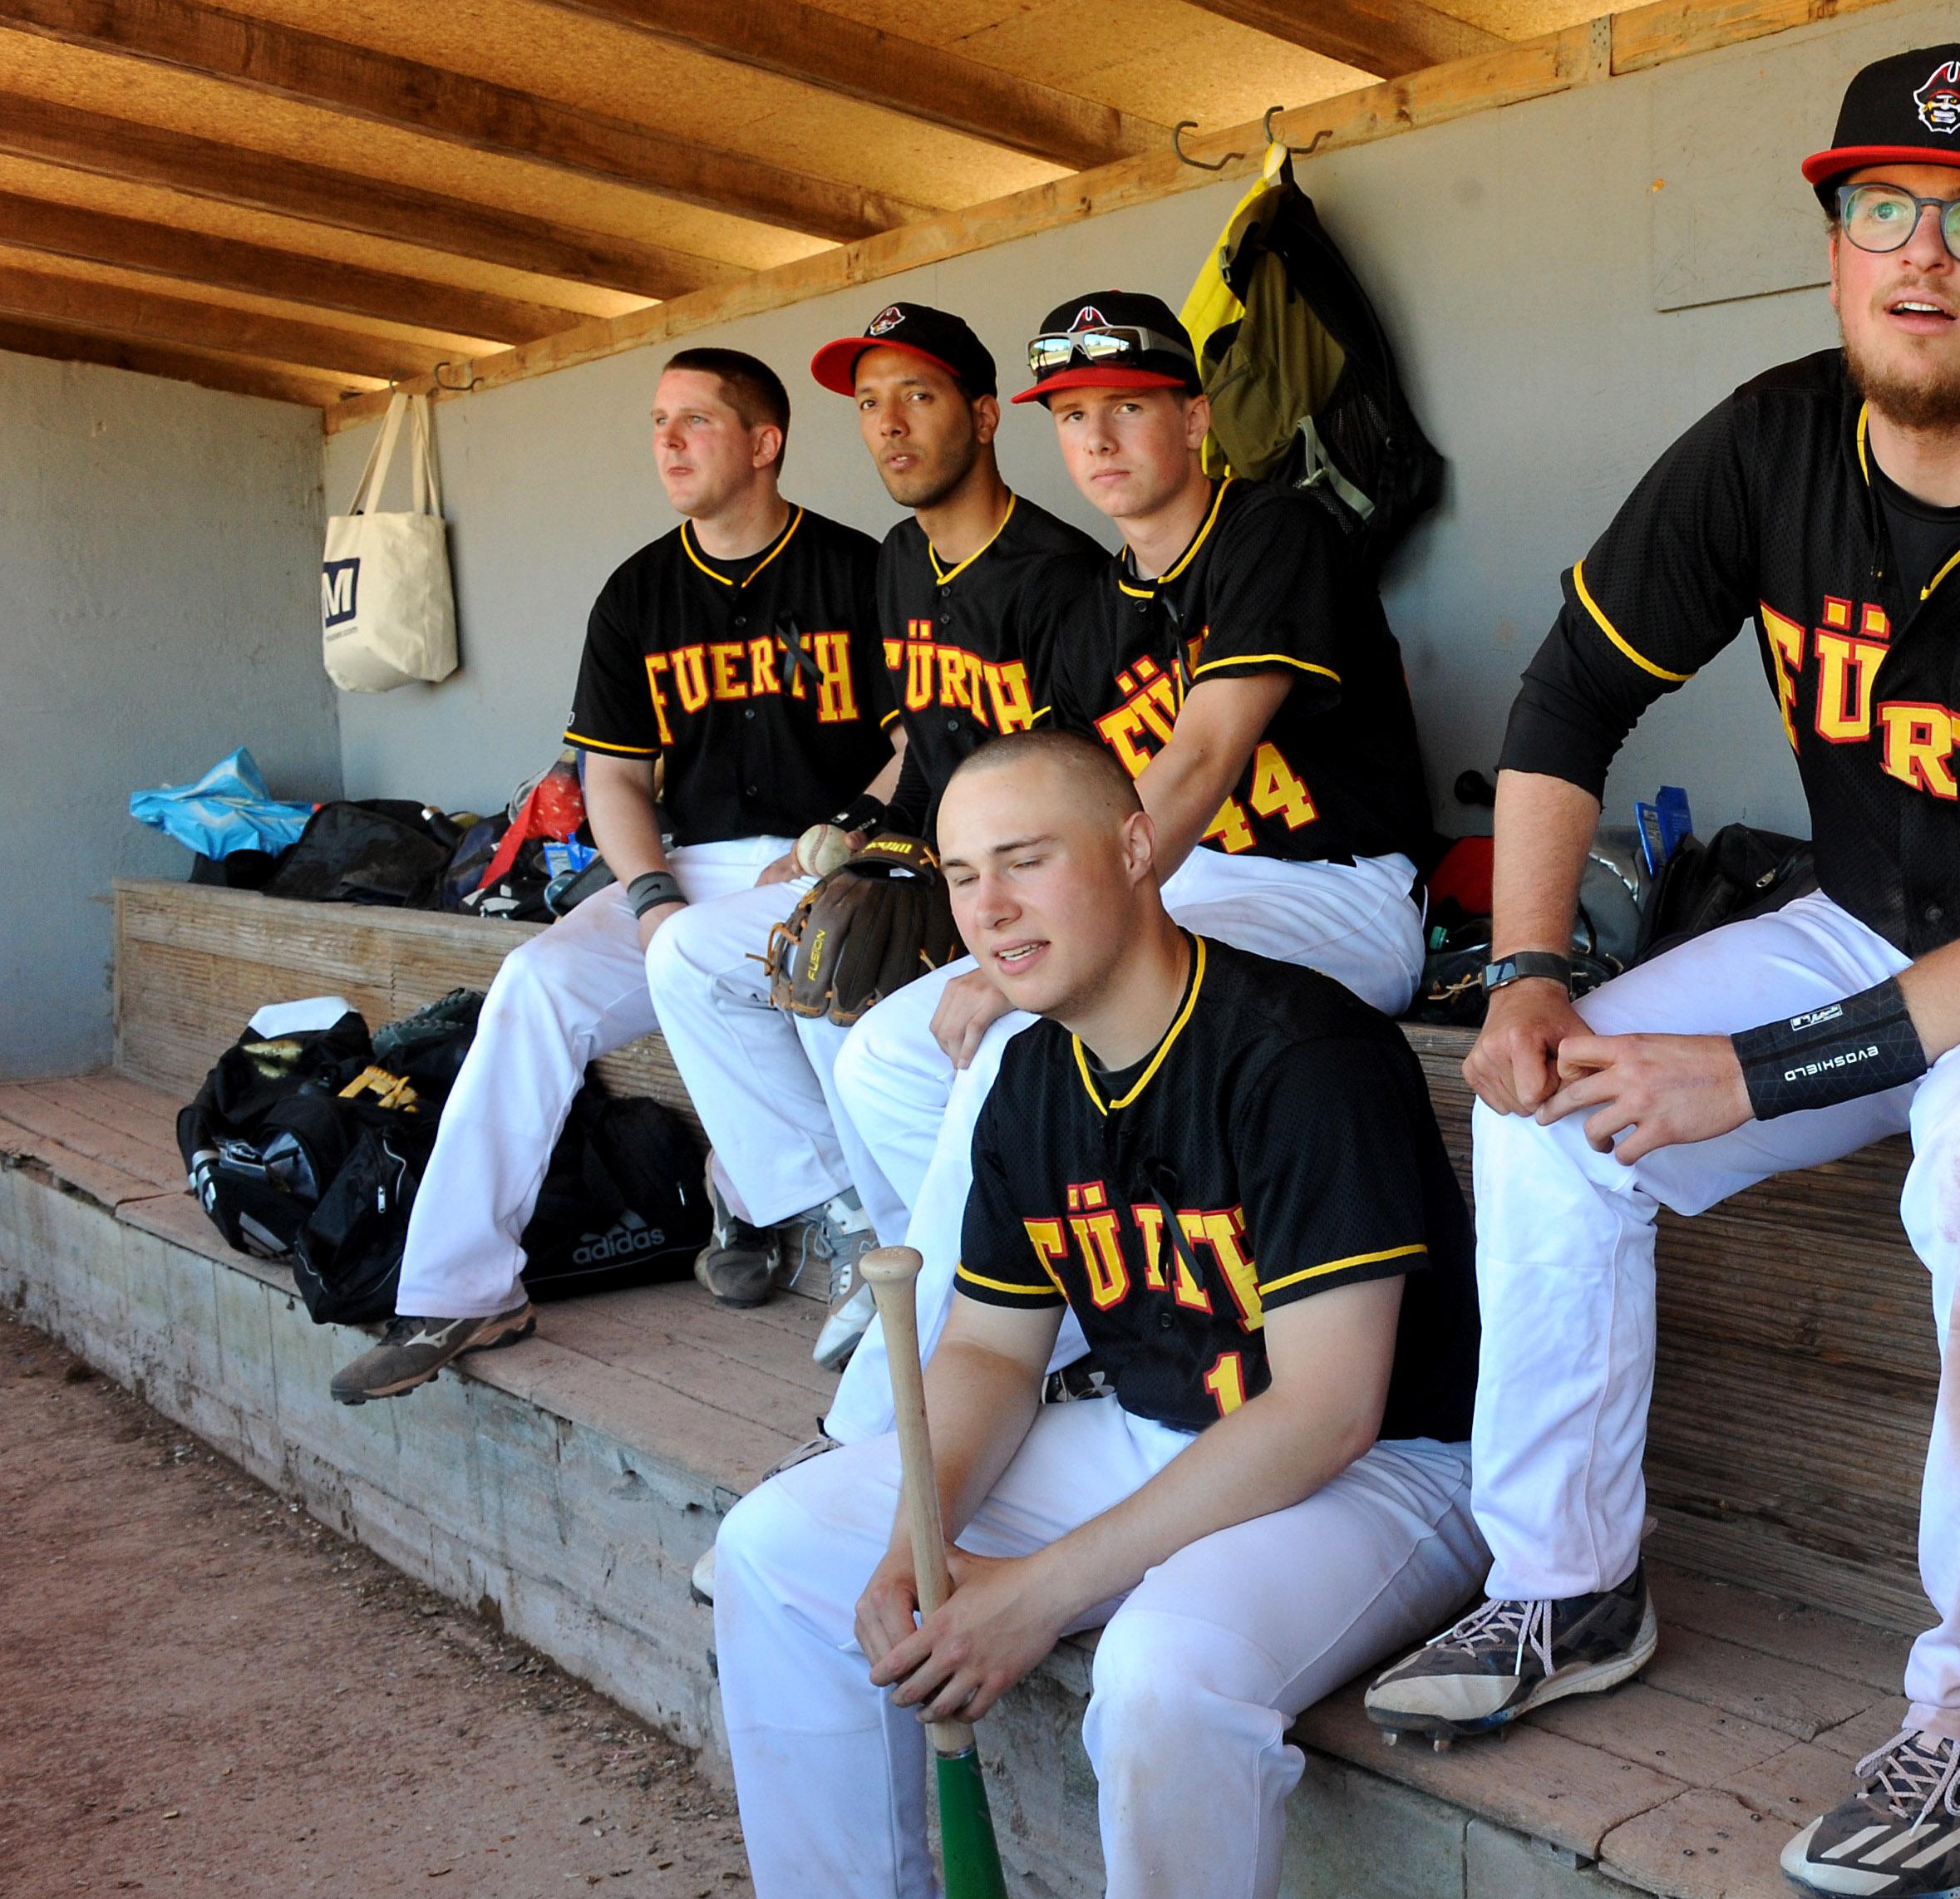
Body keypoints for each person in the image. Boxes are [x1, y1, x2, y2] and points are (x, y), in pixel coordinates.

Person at [1360, 44, 1960, 1899]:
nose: (1920, 256)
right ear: (1836, 248)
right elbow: (1567, 696)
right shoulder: (1774, 439)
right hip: (1876, 908)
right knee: (1549, 1110)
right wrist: (1530, 974)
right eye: (1878, 212)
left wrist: (1753, 1075)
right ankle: (1566, 1586)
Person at [651, 730, 1482, 1899]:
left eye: (1027, 860)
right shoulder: (1037, 1077)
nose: (989, 907)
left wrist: (1031, 1594)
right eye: (964, 874)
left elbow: (1327, 1407)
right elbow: (985, 1353)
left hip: (1387, 1471)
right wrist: (925, 1534)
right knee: (787, 1546)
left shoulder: (1304, 1051)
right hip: (1166, 1430)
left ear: (1138, 849)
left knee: (1163, 1680)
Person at [805, 290, 1435, 1444]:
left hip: (1330, 890)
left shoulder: (1273, 534)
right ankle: (1067, 1325)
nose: (1096, 439)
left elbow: (1196, 761)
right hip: (1182, 893)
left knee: (1010, 1041)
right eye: (1073, 413)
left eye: (1129, 408)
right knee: (881, 1060)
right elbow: (1050, 800)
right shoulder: (1097, 609)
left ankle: (881, 1437)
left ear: (1196, 420)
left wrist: (1023, 968)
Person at [330, 348, 893, 1404]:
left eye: (696, 421)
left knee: (799, 979)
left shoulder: (858, 570)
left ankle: (819, 1221)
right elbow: (614, 779)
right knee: (537, 986)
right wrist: (646, 896)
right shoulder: (638, 592)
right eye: (657, 422)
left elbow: (918, 742)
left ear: (765, 443)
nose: (667, 443)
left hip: (829, 862)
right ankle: (465, 1286)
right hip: (682, 864)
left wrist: (844, 836)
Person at [647, 303, 1108, 1372]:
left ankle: (931, 1272)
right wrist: (850, 832)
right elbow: (921, 750)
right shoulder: (899, 557)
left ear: (985, 415)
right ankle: (861, 1225)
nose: (889, 426)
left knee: (847, 968)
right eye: (867, 405)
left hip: (1021, 883)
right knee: (700, 950)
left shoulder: (1059, 576)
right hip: (920, 859)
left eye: (919, 396)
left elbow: (1087, 789)